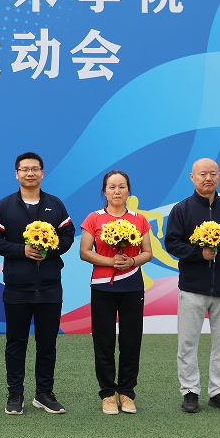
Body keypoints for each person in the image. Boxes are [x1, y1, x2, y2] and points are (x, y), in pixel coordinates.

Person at [0, 152, 74, 415]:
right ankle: (15, 393)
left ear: (42, 173)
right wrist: (21, 250)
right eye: (24, 169)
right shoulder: (4, 206)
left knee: (47, 343)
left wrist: (50, 249)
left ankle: (44, 393)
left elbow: (68, 235)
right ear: (17, 174)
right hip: (17, 286)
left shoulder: (55, 204)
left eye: (35, 169)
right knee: (16, 342)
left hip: (50, 286)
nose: (30, 173)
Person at [164, 158, 220, 414]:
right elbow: (172, 243)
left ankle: (219, 391)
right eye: (202, 174)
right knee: (187, 343)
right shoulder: (181, 209)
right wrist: (199, 253)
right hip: (192, 289)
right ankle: (190, 391)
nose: (208, 178)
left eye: (213, 174)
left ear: (219, 176)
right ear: (192, 177)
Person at [79, 170, 152, 415]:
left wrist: (131, 262)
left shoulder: (139, 219)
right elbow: (85, 252)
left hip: (132, 286)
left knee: (131, 341)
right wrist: (111, 262)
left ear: (128, 191)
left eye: (122, 186)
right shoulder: (94, 218)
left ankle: (127, 392)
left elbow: (147, 252)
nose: (117, 191)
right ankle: (108, 393)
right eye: (112, 187)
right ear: (104, 191)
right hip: (103, 287)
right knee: (104, 341)